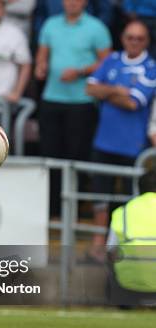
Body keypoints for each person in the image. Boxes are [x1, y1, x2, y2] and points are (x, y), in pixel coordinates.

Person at [86, 20, 156, 262]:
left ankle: (125, 249)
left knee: (129, 200)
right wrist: (119, 90)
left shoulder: (150, 67)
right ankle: (97, 244)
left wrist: (107, 91)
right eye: (130, 37)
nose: (134, 42)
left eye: (139, 38)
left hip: (133, 145)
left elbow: (134, 103)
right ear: (123, 38)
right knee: (100, 197)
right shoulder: (112, 59)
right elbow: (90, 88)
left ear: (147, 41)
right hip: (103, 140)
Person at [35, 0, 111, 216]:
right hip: (52, 98)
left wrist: (80, 71)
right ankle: (52, 207)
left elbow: (106, 62)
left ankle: (73, 209)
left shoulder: (96, 27)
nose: (72, 3)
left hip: (81, 102)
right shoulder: (51, 24)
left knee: (76, 156)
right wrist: (41, 66)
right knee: (50, 155)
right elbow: (43, 53)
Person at [107, 169, 156, 301]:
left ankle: (122, 300)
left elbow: (110, 249)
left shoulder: (122, 211)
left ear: (139, 189)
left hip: (128, 284)